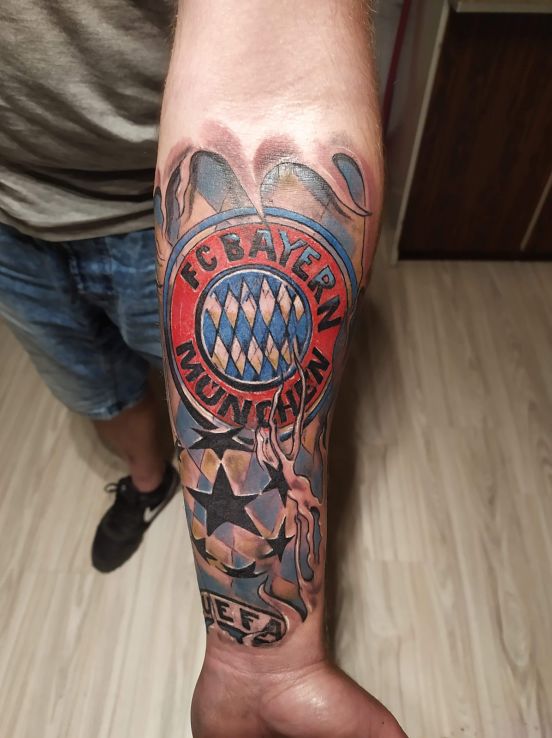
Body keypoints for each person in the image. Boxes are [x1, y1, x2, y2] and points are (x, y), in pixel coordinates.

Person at [0, 1, 408, 736]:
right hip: (10, 216)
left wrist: (260, 659)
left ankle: (170, 487)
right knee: (93, 389)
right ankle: (147, 482)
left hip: (153, 205)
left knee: (199, 401)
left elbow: (276, 96)